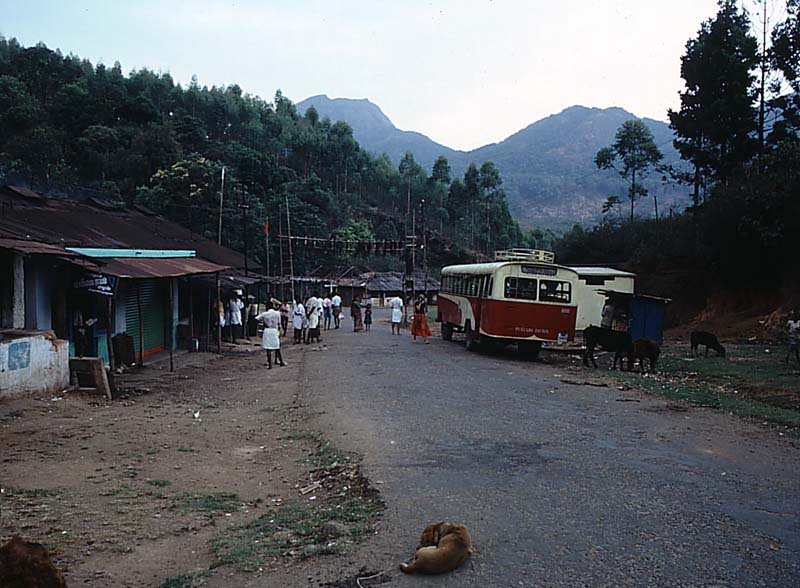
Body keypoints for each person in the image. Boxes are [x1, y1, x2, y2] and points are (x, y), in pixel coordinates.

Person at [256, 302, 285, 368]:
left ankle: (270, 365)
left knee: (268, 348)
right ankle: (281, 361)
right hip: (274, 330)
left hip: (267, 330)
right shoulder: (277, 313)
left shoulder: (264, 314)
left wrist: (263, 323)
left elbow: (256, 319)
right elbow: (279, 323)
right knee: (277, 347)